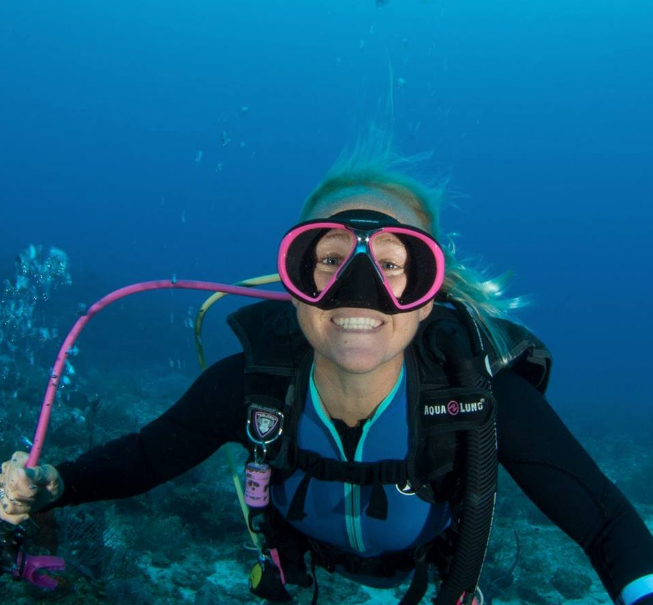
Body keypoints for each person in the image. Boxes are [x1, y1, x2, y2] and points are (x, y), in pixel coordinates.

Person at [2, 136, 653, 605]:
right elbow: (146, 458)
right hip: (299, 563)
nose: (358, 292)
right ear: (293, 282)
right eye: (330, 257)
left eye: (394, 264)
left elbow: (605, 525)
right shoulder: (250, 385)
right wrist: (52, 483)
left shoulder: (478, 396)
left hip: (425, 568)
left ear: (430, 295)